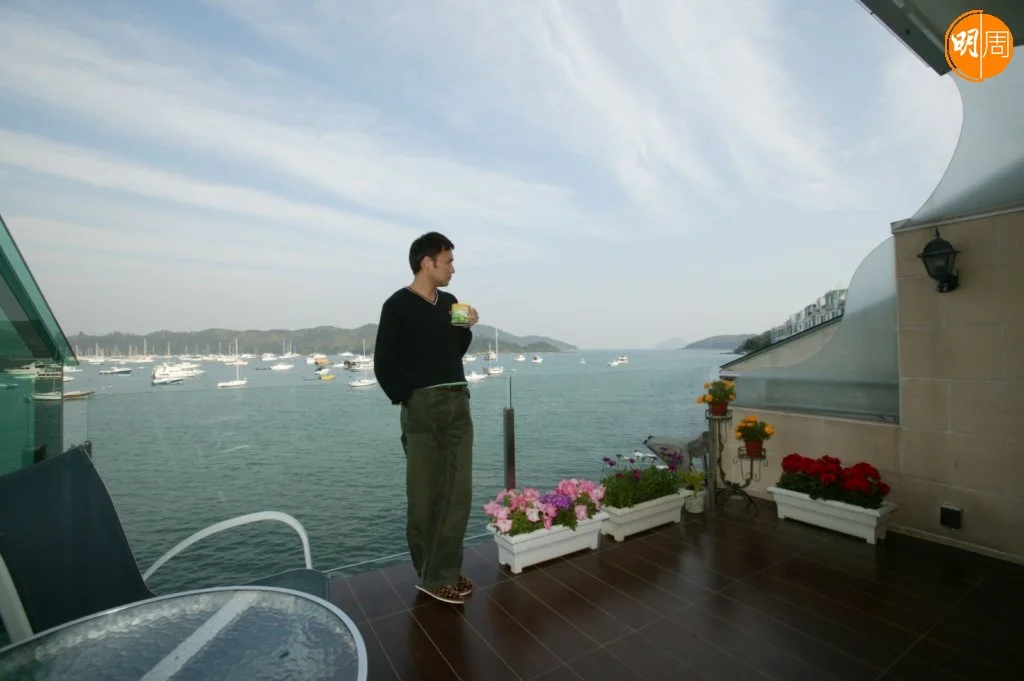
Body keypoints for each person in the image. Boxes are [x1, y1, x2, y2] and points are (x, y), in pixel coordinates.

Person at [373, 232, 478, 604]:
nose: (453, 268)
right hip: (423, 407)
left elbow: (453, 351)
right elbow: (383, 363)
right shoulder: (397, 305)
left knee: (458, 494)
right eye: (448, 261)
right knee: (424, 496)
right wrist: (409, 397)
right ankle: (431, 576)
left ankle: (443, 571)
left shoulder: (449, 303)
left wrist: (465, 328)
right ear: (427, 262)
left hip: (458, 401)